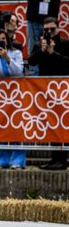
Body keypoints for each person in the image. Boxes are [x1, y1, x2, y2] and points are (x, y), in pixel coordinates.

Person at [0, 30, 27, 169]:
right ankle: (2, 159)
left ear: (7, 41)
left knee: (17, 127)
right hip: (1, 97)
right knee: (1, 126)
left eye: (3, 38)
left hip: (17, 95)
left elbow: (19, 71)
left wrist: (7, 58)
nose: (0, 41)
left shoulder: (16, 54)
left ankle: (18, 161)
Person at [30, 16, 69, 170]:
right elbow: (32, 61)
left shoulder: (65, 43)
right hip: (46, 91)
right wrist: (42, 50)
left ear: (58, 29)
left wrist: (53, 53)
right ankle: (56, 158)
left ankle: (62, 158)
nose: (50, 32)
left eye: (52, 29)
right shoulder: (40, 44)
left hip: (63, 89)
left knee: (63, 123)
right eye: (46, 30)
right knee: (52, 124)